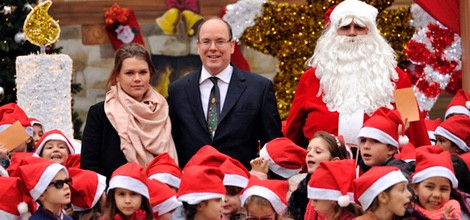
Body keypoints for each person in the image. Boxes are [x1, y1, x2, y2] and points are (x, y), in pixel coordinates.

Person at [284, 0, 429, 149]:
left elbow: (415, 128)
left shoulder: (398, 78)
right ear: (333, 33)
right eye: (345, 27)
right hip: (323, 169)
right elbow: (292, 134)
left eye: (359, 27)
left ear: (371, 32)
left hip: (382, 170)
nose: (352, 32)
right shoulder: (310, 79)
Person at [168, 17, 283, 169]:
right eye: (206, 41)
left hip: (241, 183)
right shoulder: (178, 90)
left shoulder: (259, 88)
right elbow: (172, 144)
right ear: (198, 46)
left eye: (220, 41)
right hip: (192, 186)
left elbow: (272, 146)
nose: (213, 47)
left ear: (232, 46)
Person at [81, 43, 177, 181]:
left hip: (165, 195)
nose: (137, 78)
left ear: (150, 74)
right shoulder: (100, 113)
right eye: (129, 73)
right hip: (115, 198)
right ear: (117, 76)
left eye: (143, 72)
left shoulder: (165, 110)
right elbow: (90, 165)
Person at [286, 131, 352, 220]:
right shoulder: (304, 187)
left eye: (318, 152)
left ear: (334, 161)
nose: (309, 154)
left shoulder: (344, 194)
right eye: (308, 150)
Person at [411, 150, 461, 219]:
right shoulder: (404, 212)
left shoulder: (454, 211)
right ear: (415, 188)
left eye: (443, 189)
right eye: (430, 187)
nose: (436, 194)